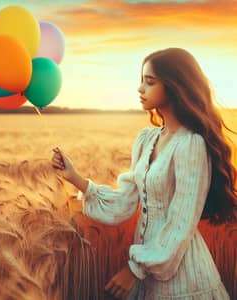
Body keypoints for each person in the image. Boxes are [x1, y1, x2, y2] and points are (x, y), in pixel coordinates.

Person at [51, 47, 236, 299]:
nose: (140, 88)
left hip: (182, 277)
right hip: (144, 273)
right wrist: (74, 177)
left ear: (175, 86)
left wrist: (135, 268)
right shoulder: (147, 139)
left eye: (149, 82)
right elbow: (126, 201)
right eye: (141, 80)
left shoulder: (191, 144)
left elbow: (181, 222)